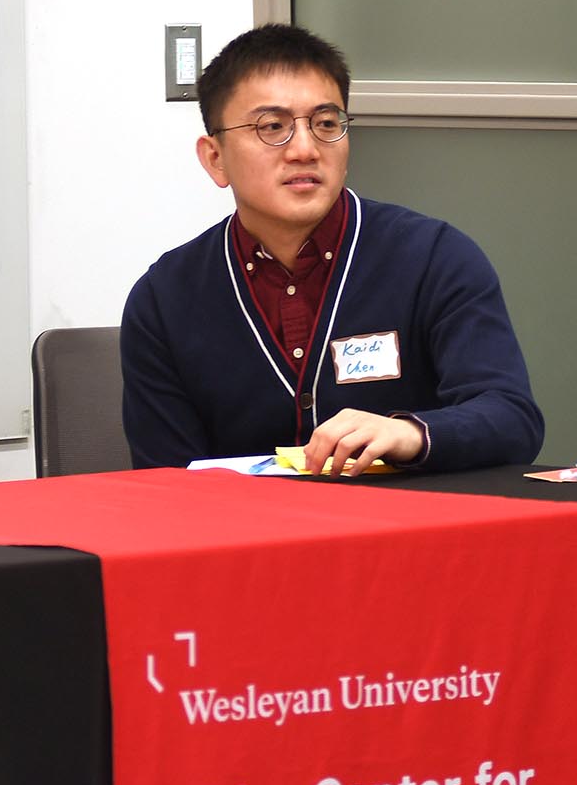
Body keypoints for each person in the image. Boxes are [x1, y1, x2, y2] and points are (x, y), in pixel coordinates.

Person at [122, 24, 543, 476]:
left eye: (326, 124)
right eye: (272, 127)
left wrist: (411, 433)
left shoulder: (434, 258)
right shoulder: (166, 297)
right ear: (215, 158)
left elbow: (511, 418)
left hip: (408, 535)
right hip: (245, 538)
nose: (304, 149)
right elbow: (165, 481)